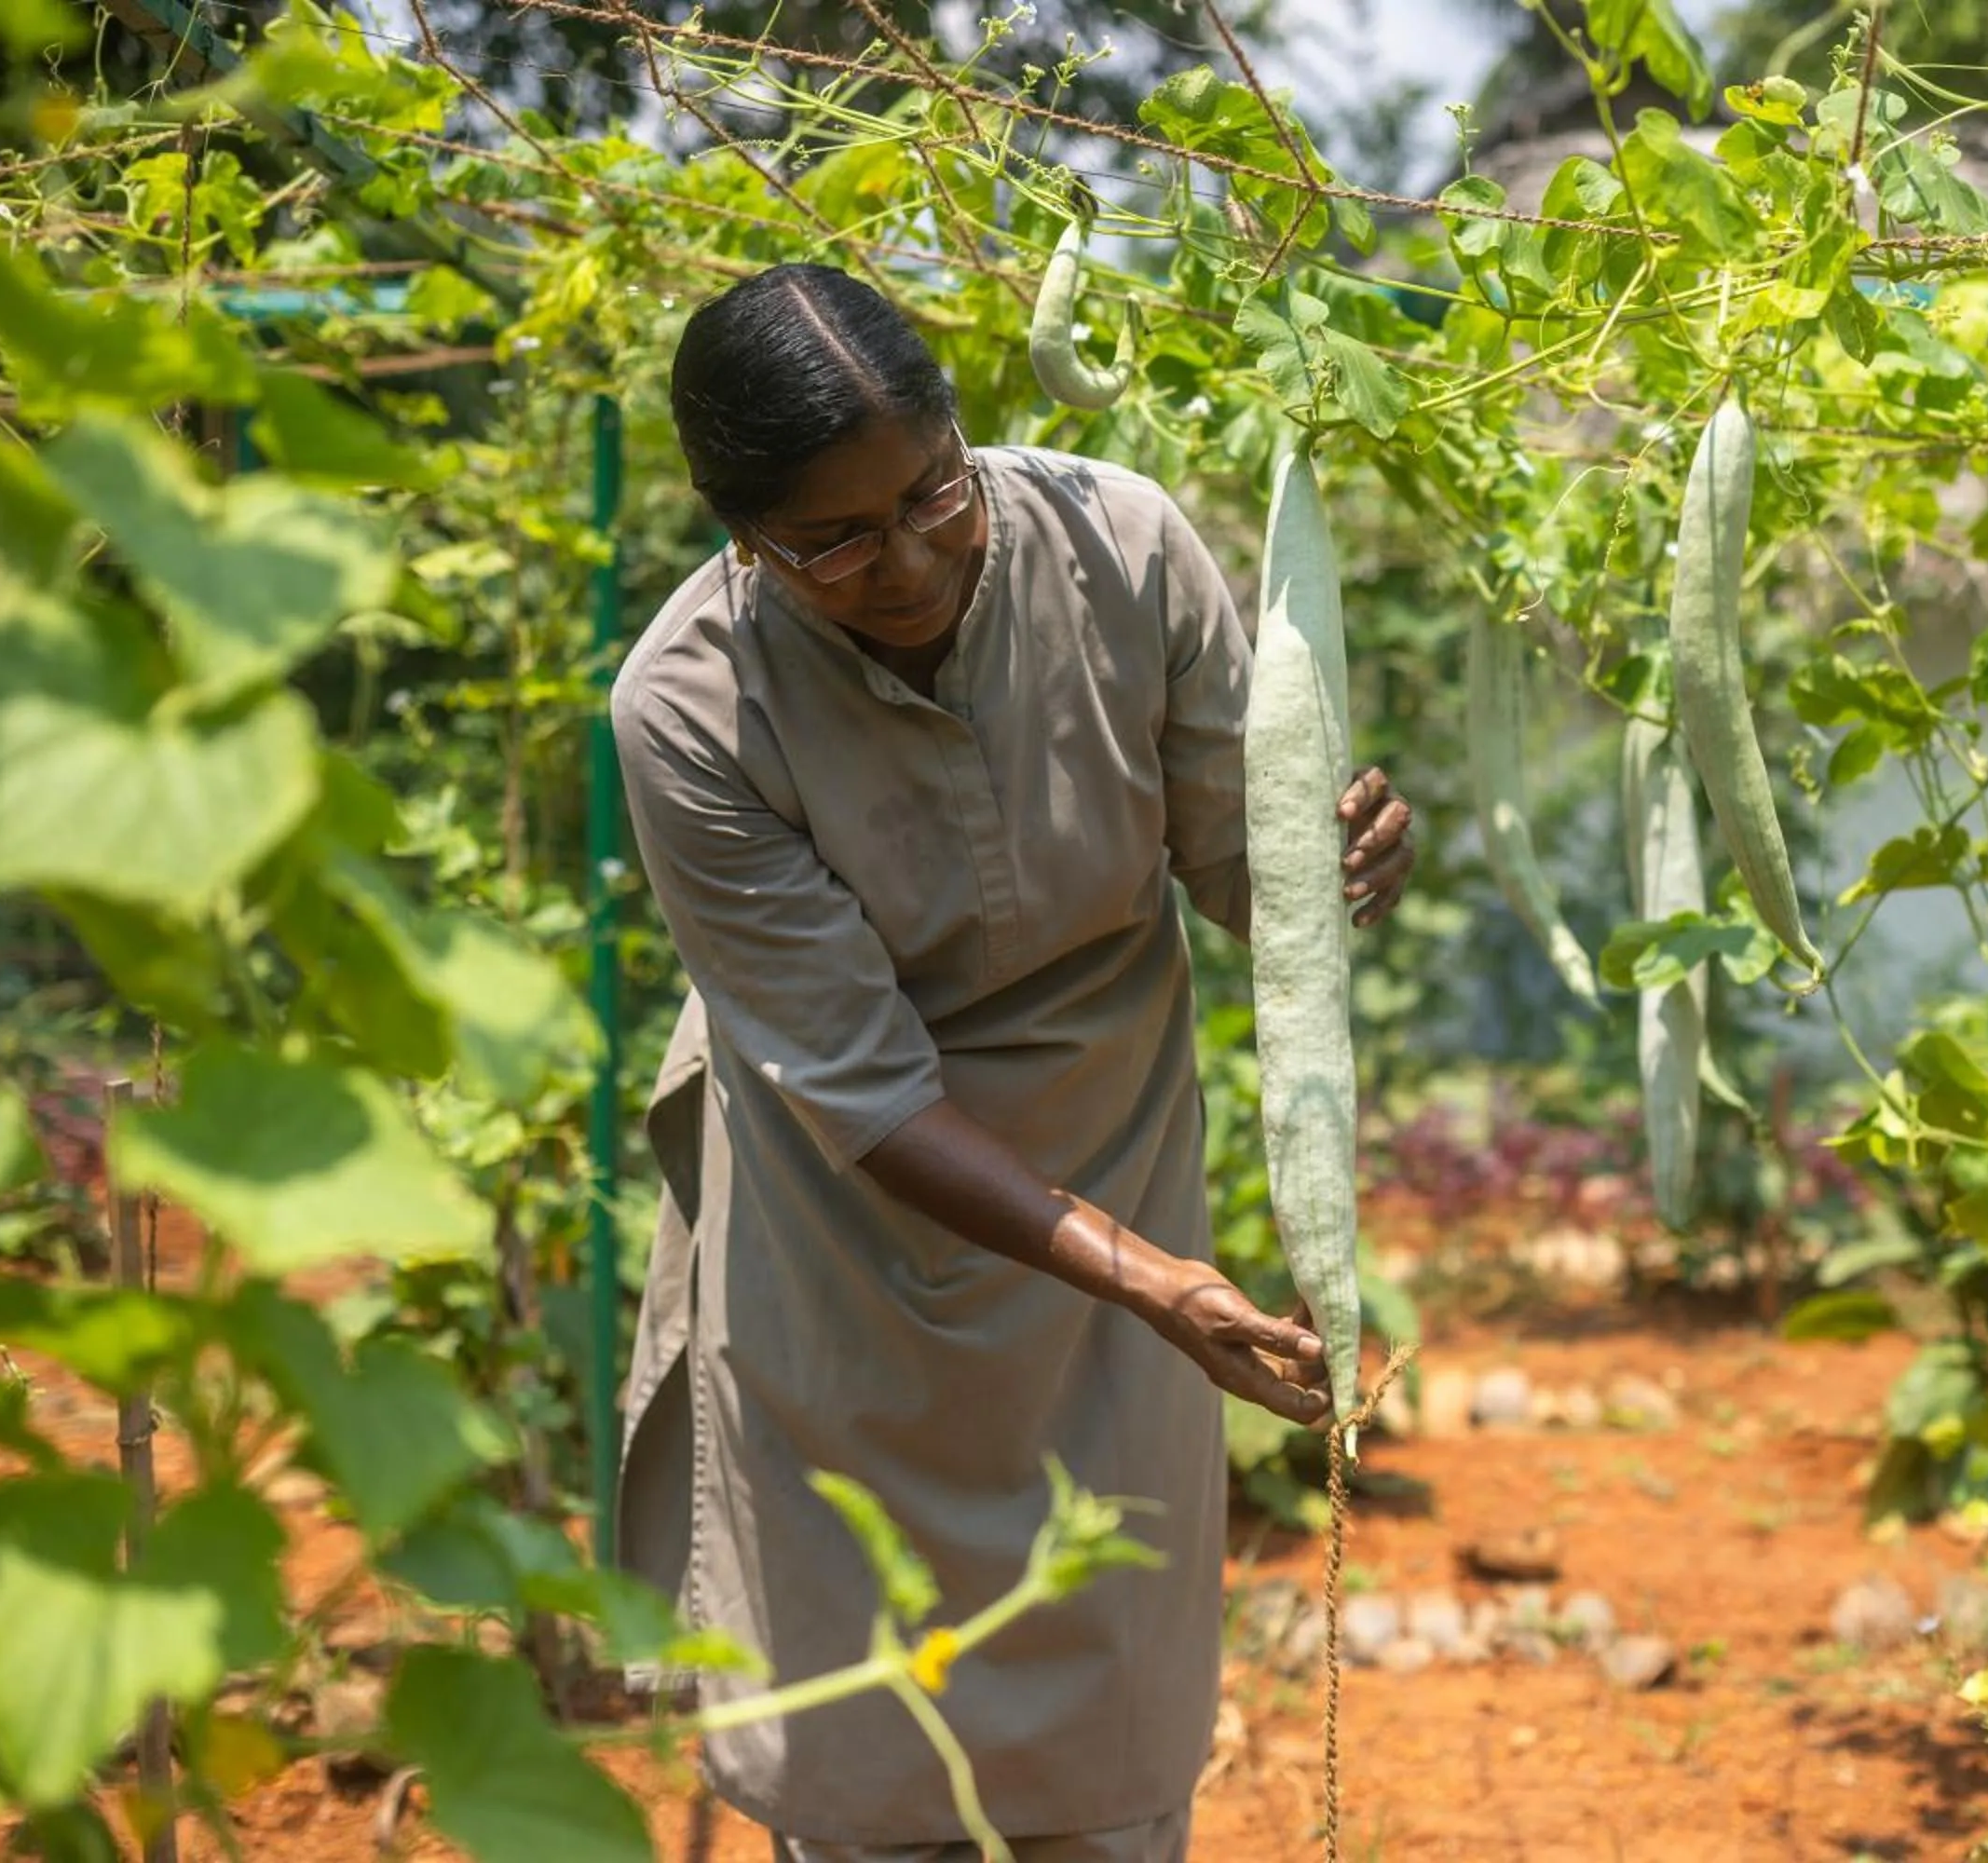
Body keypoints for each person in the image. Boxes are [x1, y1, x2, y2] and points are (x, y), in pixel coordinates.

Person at [606, 261, 1416, 1863]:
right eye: (834, 540)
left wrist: (1333, 872)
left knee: (1105, 1727)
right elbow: (868, 1090)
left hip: (1114, 1174)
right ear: (737, 534)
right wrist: (1156, 1285)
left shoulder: (1123, 549)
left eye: (933, 494)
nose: (909, 559)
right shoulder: (687, 707)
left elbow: (1244, 879)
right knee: (864, 1760)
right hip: (837, 1231)